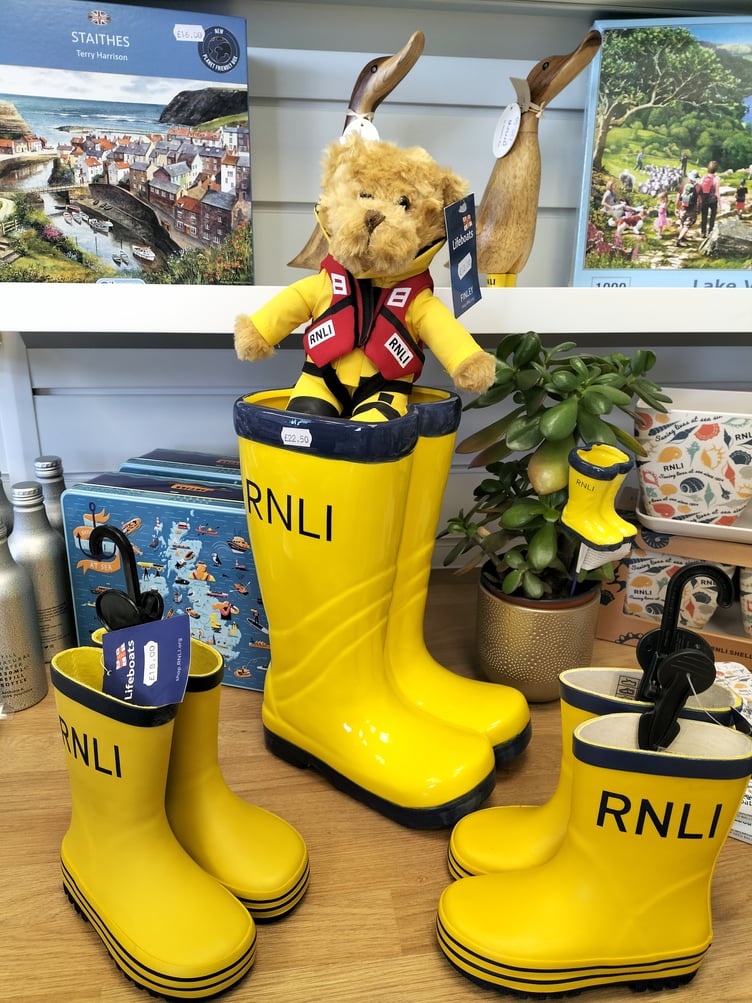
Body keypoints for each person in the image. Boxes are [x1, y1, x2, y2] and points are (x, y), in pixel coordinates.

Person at [675, 173, 700, 246]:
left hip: (683, 209)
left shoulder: (684, 186)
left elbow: (678, 197)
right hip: (691, 209)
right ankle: (679, 239)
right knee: (686, 226)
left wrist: (676, 207)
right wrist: (698, 209)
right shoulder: (697, 187)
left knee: (682, 224)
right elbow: (699, 200)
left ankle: (683, 237)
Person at [698, 160, 721, 237]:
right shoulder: (716, 178)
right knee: (712, 216)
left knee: (704, 216)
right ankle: (710, 230)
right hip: (713, 199)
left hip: (704, 198)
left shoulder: (704, 177)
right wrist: (720, 203)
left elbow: (700, 187)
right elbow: (717, 191)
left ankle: (703, 232)